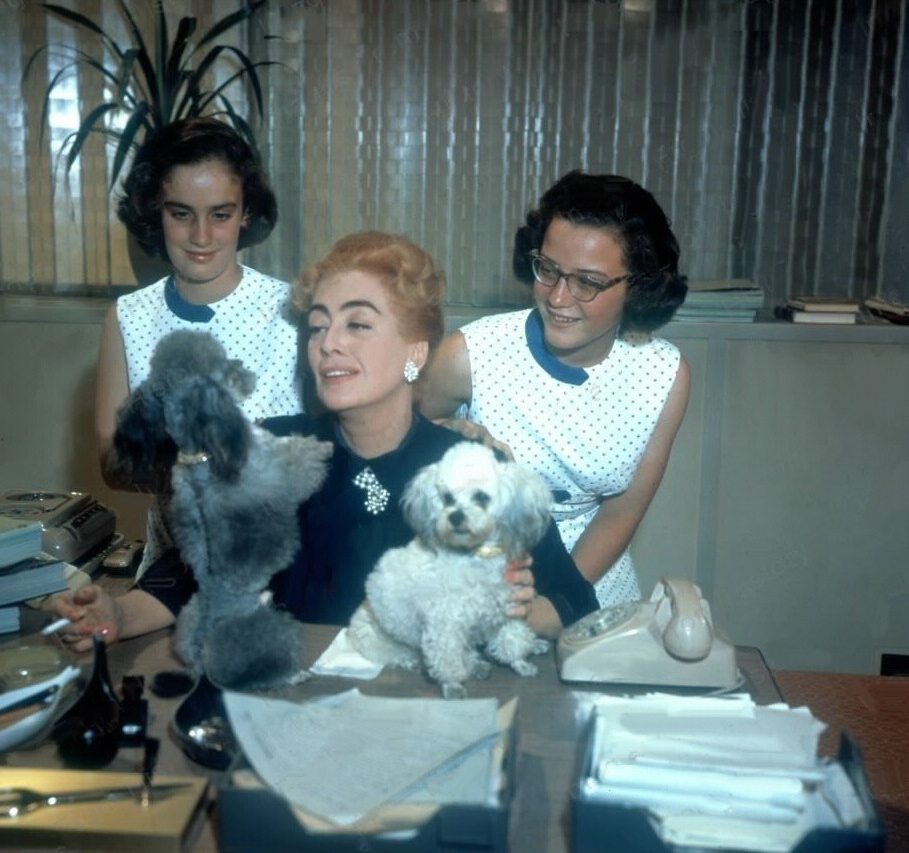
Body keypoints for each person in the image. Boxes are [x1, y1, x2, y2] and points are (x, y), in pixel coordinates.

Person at [52, 232, 598, 651]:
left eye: (357, 325)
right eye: (318, 326)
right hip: (294, 714)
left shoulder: (476, 469)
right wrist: (118, 616)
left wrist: (519, 612)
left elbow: (575, 601)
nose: (328, 345)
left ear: (416, 351)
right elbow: (187, 576)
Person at [420, 170, 690, 608]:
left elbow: (622, 511)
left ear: (638, 285)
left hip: (593, 576)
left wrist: (560, 602)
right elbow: (397, 444)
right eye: (548, 269)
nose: (558, 298)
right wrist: (445, 437)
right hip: (480, 574)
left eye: (588, 282)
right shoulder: (469, 354)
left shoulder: (665, 375)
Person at [98, 116, 302, 579]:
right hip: (174, 570)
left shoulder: (295, 312)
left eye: (221, 214)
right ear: (155, 210)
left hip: (282, 564)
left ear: (246, 213)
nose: (202, 237)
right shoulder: (127, 317)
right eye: (181, 213)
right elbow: (112, 463)